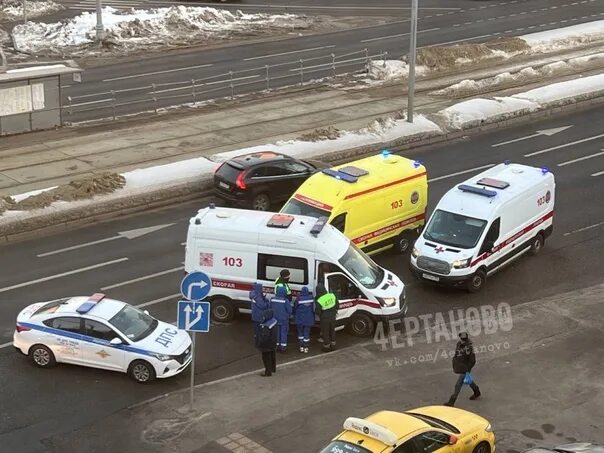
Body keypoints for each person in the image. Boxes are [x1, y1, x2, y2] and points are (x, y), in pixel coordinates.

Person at [444, 332, 481, 406]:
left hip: (465, 368)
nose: (462, 340)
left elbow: (473, 360)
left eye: (463, 339)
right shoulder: (459, 344)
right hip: (461, 367)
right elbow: (457, 354)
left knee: (458, 385)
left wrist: (468, 369)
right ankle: (477, 391)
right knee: (469, 380)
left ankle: (452, 401)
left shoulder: (469, 348)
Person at [315, 283, 338, 352]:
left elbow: (317, 311)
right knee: (332, 330)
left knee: (325, 332)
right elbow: (337, 305)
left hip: (325, 317)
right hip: (333, 315)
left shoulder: (320, 300)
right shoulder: (332, 295)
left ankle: (327, 346)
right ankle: (333, 344)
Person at [255, 310, 278, 377]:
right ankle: (273, 369)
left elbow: (264, 336)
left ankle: (268, 372)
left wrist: (259, 343)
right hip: (273, 342)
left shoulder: (266, 326)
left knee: (266, 358)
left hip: (266, 345)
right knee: (272, 356)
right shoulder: (274, 321)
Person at [271, 285, 292, 352]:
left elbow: (269, 308)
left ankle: (276, 346)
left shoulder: (272, 299)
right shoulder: (285, 301)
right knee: (283, 333)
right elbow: (290, 310)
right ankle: (283, 348)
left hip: (274, 320)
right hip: (284, 320)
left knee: (276, 333)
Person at [294, 286, 314, 353]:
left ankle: (301, 347)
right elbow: (313, 308)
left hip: (299, 319)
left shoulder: (299, 298)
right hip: (308, 319)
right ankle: (306, 347)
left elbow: (295, 307)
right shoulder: (311, 298)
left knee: (300, 333)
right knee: (306, 333)